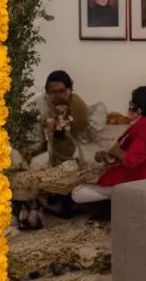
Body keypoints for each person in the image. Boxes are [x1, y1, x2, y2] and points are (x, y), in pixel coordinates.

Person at [9, 70, 96, 228]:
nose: (56, 95)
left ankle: (34, 208)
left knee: (42, 168)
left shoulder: (78, 108)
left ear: (70, 89)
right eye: (51, 92)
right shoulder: (39, 104)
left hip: (72, 152)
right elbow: (32, 136)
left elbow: (78, 139)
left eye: (61, 91)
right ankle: (29, 208)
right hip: (42, 149)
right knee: (29, 164)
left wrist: (59, 128)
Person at [71, 86, 146, 205]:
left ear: (137, 107)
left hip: (141, 182)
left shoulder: (145, 128)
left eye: (132, 103)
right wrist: (110, 156)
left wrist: (115, 151)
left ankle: (117, 200)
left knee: (77, 193)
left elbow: (134, 160)